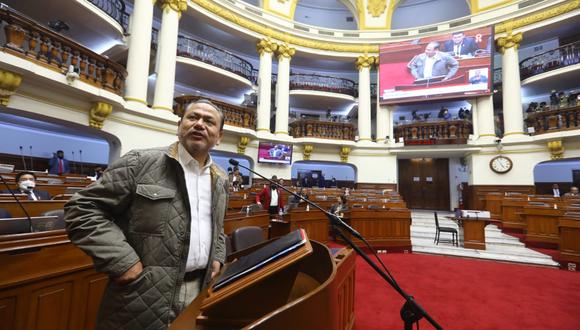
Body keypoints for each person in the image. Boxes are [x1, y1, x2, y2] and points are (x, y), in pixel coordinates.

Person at [64, 99, 228, 329]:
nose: (199, 124)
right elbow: (82, 209)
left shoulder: (220, 178)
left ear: (219, 136)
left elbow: (218, 226)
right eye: (193, 118)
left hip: (200, 290)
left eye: (208, 121)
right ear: (180, 125)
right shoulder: (140, 162)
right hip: (143, 293)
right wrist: (121, 261)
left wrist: (218, 256)